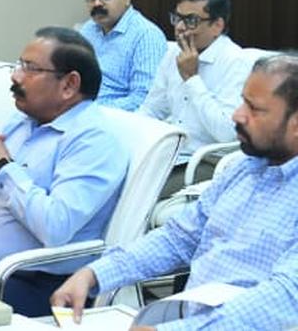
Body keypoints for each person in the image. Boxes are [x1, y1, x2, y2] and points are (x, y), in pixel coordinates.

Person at [53, 54, 298, 330]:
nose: (237, 115)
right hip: (189, 318)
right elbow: (178, 238)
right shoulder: (243, 169)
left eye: (254, 109)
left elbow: (284, 298)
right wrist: (94, 274)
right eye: (243, 101)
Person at [0, 27, 128, 317]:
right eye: (19, 64)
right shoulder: (22, 121)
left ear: (69, 84)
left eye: (30, 69)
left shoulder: (94, 140)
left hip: (37, 283)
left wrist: (1, 166)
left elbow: (55, 227)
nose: (16, 77)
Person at [138, 0, 252, 195]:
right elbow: (152, 109)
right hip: (168, 153)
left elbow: (227, 133)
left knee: (140, 195)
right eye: (177, 17)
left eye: (191, 20)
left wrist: (192, 79)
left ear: (217, 25)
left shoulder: (236, 62)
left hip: (205, 160)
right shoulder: (173, 53)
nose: (180, 27)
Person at [80, 0, 167, 111]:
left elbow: (143, 99)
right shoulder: (88, 29)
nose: (96, 3)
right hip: (80, 110)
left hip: (114, 117)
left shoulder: (146, 35)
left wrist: (94, 111)